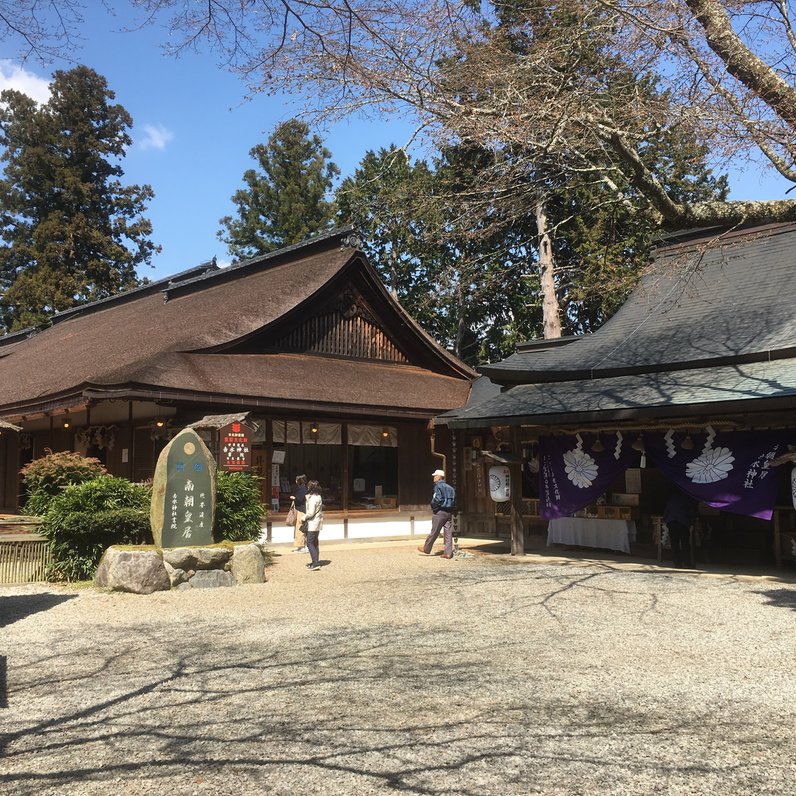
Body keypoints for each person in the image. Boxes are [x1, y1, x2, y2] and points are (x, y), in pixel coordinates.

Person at [418, 469, 456, 559]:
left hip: (440, 512)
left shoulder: (438, 486)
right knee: (448, 533)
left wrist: (434, 508)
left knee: (434, 531)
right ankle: (448, 553)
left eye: (435, 476)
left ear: (439, 477)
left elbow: (437, 499)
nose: (434, 478)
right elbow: (454, 500)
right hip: (449, 512)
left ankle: (426, 548)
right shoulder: (450, 488)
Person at [664, 487, 698, 568]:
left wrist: (667, 520)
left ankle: (677, 562)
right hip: (683, 522)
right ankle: (687, 563)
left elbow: (667, 510)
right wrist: (692, 522)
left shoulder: (672, 498)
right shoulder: (688, 498)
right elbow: (691, 511)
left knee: (674, 543)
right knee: (685, 543)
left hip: (672, 521)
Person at [304, 480, 324, 571]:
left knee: (310, 543)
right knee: (315, 542)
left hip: (312, 523)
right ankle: (316, 561)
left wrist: (304, 517)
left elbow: (311, 512)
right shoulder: (319, 497)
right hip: (318, 522)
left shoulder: (313, 498)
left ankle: (315, 563)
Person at [290, 474, 308, 553]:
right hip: (303, 510)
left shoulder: (302, 489)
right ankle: (302, 546)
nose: (295, 481)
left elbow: (299, 499)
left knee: (300, 528)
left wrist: (294, 498)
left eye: (297, 480)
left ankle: (302, 547)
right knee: (301, 528)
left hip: (301, 510)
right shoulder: (305, 488)